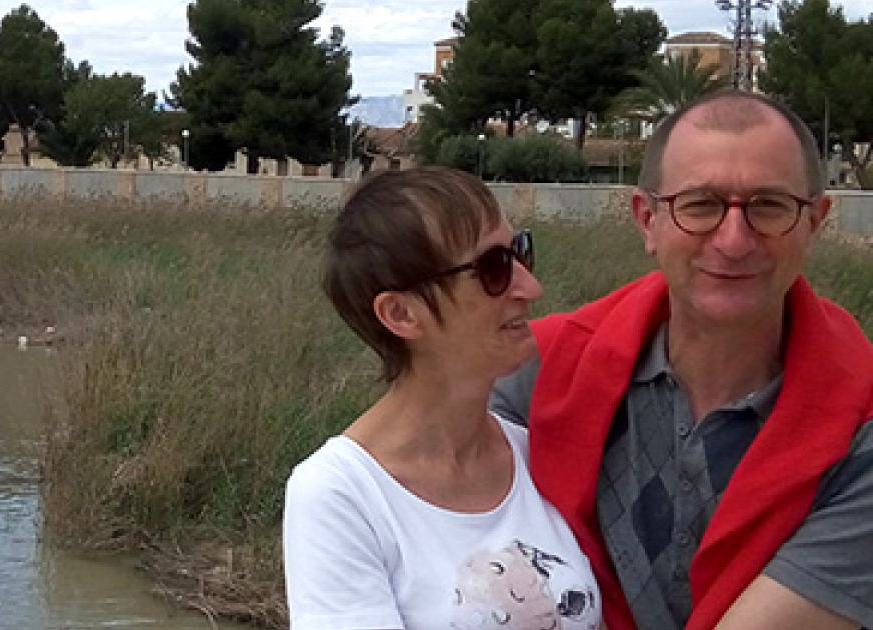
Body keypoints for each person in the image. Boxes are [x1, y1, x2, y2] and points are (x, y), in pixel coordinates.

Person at [491, 90, 873, 630]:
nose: (734, 241)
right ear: (647, 220)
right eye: (700, 205)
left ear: (815, 221)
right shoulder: (538, 369)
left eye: (769, 206)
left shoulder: (863, 424)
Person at [283, 167, 602, 630]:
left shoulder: (537, 456)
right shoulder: (341, 496)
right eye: (493, 268)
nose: (531, 288)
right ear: (401, 313)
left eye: (520, 252)